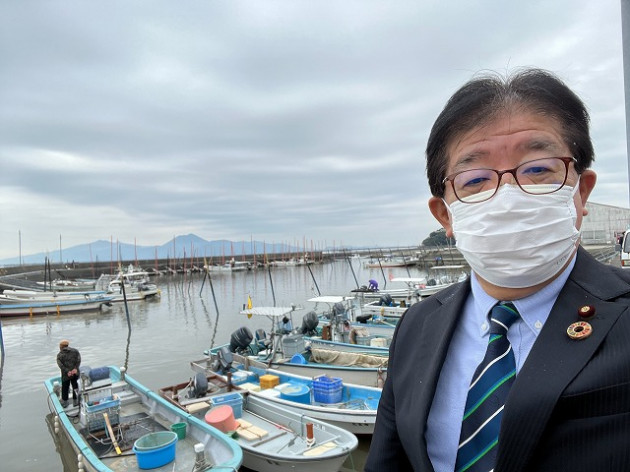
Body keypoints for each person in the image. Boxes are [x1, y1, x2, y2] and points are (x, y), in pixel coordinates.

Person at [366, 68, 630, 472]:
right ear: (445, 215)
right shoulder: (416, 326)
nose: (507, 197)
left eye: (538, 169)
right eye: (474, 179)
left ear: (581, 191)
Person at [56, 339, 81, 407]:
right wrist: (75, 369)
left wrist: (68, 371)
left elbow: (60, 365)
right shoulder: (75, 351)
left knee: (65, 388)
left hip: (66, 374)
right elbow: (78, 360)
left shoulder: (60, 355)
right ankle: (76, 401)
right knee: (75, 386)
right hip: (75, 373)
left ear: (61, 346)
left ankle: (65, 402)